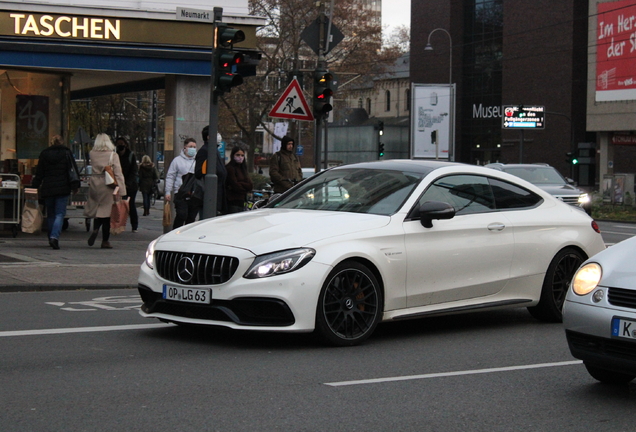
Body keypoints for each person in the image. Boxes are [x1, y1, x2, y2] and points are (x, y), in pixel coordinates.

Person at [31, 135, 80, 250]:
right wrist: (75, 186)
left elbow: (40, 173)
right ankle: (55, 236)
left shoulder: (44, 154)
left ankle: (50, 237)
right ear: (62, 142)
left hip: (48, 188)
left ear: (51, 142)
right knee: (60, 214)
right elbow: (72, 170)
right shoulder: (67, 153)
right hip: (63, 188)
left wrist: (34, 186)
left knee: (51, 214)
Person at [84, 133, 127, 249]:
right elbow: (118, 173)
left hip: (94, 183)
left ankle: (96, 228)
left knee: (98, 211)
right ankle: (105, 240)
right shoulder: (113, 155)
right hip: (108, 185)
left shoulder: (92, 154)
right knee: (107, 214)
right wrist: (122, 190)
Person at [165, 138, 199, 229]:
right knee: (182, 214)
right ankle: (176, 231)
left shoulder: (198, 161)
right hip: (180, 193)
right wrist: (168, 191)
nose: (193, 149)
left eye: (194, 147)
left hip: (193, 194)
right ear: (185, 147)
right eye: (190, 146)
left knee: (191, 218)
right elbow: (170, 176)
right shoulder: (177, 161)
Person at [195, 125, 227, 216]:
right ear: (209, 137)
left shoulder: (214, 150)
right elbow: (198, 172)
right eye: (216, 133)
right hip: (209, 193)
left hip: (217, 192)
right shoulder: (205, 151)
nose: (218, 136)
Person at [115, 136, 139, 232]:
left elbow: (134, 171)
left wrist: (127, 183)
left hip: (130, 185)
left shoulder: (130, 155)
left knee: (130, 205)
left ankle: (134, 225)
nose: (120, 146)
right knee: (117, 206)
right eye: (118, 144)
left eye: (122, 144)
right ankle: (118, 224)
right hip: (118, 185)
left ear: (125, 145)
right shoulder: (115, 155)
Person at [225, 146, 253, 213]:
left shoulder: (243, 169)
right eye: (238, 155)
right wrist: (244, 187)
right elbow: (235, 185)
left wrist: (240, 184)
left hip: (242, 201)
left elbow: (250, 185)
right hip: (232, 201)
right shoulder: (230, 168)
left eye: (242, 155)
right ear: (233, 155)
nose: (240, 157)